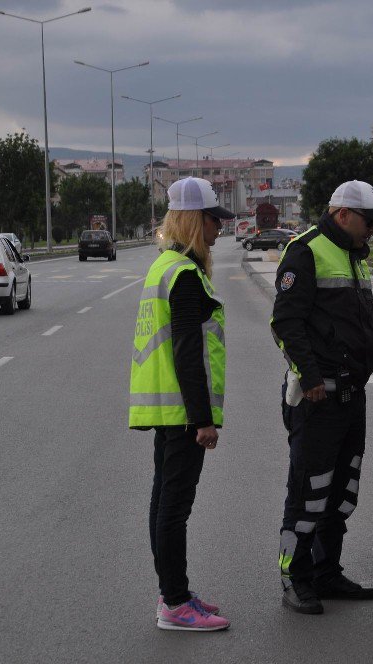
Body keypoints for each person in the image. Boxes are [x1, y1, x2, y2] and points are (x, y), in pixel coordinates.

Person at [271, 180, 373, 614]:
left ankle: (326, 572)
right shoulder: (305, 251)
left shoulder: (353, 257)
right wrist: (308, 377)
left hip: (351, 396)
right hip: (318, 398)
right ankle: (295, 575)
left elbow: (363, 318)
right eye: (368, 223)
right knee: (309, 492)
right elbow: (285, 322)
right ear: (343, 214)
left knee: (341, 492)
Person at [129, 177, 231, 632]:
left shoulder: (162, 266)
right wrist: (203, 420)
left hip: (166, 410)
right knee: (174, 509)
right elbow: (188, 352)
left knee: (162, 503)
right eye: (214, 219)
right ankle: (173, 603)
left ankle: (175, 593)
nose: (219, 229)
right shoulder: (185, 276)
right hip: (183, 413)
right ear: (195, 220)